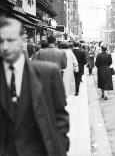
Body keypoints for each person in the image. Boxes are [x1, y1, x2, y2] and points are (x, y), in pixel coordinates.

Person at [0, 17, 69, 156]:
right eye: (1, 41)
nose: (5, 47)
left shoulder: (48, 73)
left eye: (10, 40)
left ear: (22, 39)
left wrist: (59, 146)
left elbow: (60, 115)